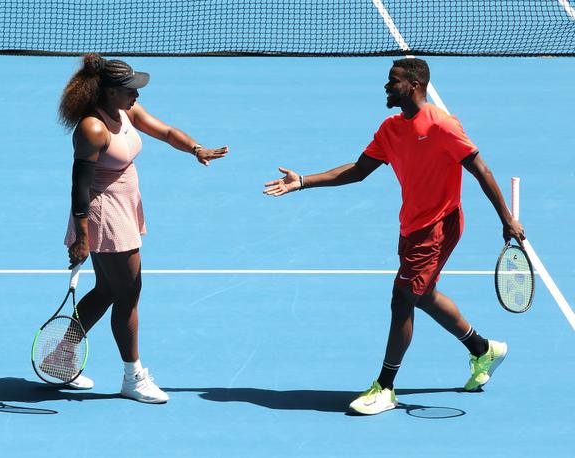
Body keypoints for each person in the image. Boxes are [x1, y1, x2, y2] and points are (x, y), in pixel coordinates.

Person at [263, 58, 524, 415]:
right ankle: (483, 349)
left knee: (402, 297)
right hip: (411, 226)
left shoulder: (442, 125)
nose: (387, 87)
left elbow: (480, 169)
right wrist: (304, 181)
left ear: (415, 85)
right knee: (423, 294)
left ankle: (385, 387)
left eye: (393, 81)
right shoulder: (390, 129)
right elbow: (357, 170)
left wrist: (506, 219)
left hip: (439, 225)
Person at [57, 53, 229, 403]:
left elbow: (164, 131)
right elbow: (79, 187)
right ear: (109, 93)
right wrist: (82, 238)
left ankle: (60, 357)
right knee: (128, 296)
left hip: (124, 208)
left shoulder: (125, 111)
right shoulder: (93, 128)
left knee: (107, 290)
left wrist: (196, 149)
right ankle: (132, 376)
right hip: (104, 217)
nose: (137, 95)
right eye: (130, 89)